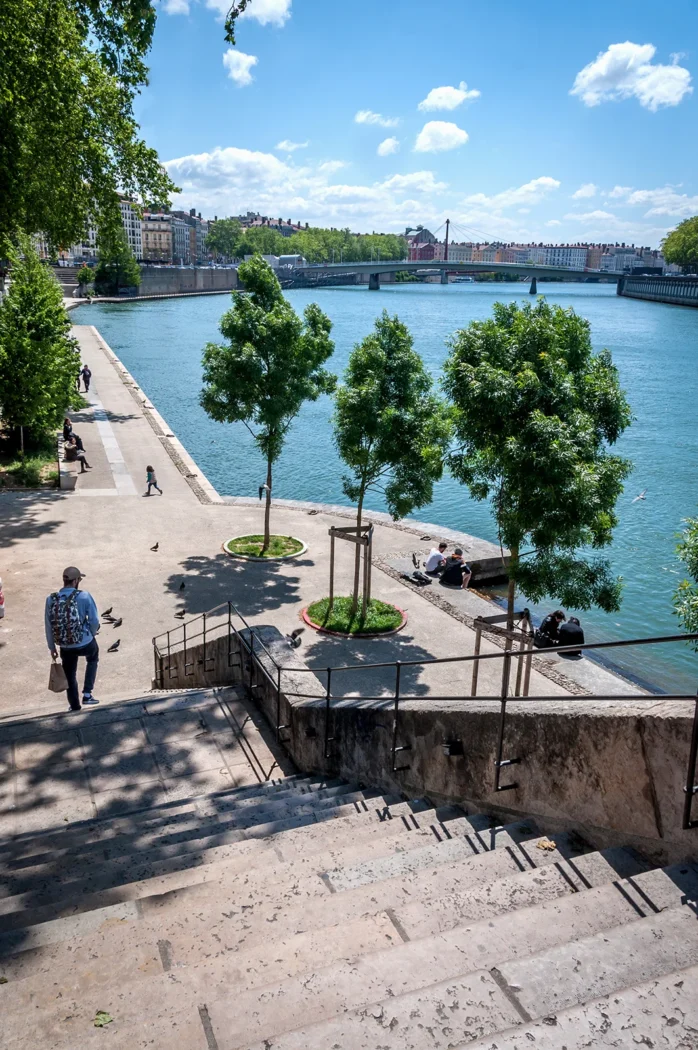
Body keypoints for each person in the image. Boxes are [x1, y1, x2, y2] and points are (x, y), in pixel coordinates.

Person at [45, 567, 100, 710]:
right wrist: (91, 634)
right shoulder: (84, 596)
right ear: (75, 581)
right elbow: (94, 621)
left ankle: (74, 705)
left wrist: (52, 647)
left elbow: (48, 625)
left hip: (65, 645)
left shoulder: (51, 599)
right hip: (85, 642)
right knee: (93, 658)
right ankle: (87, 694)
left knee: (70, 674)